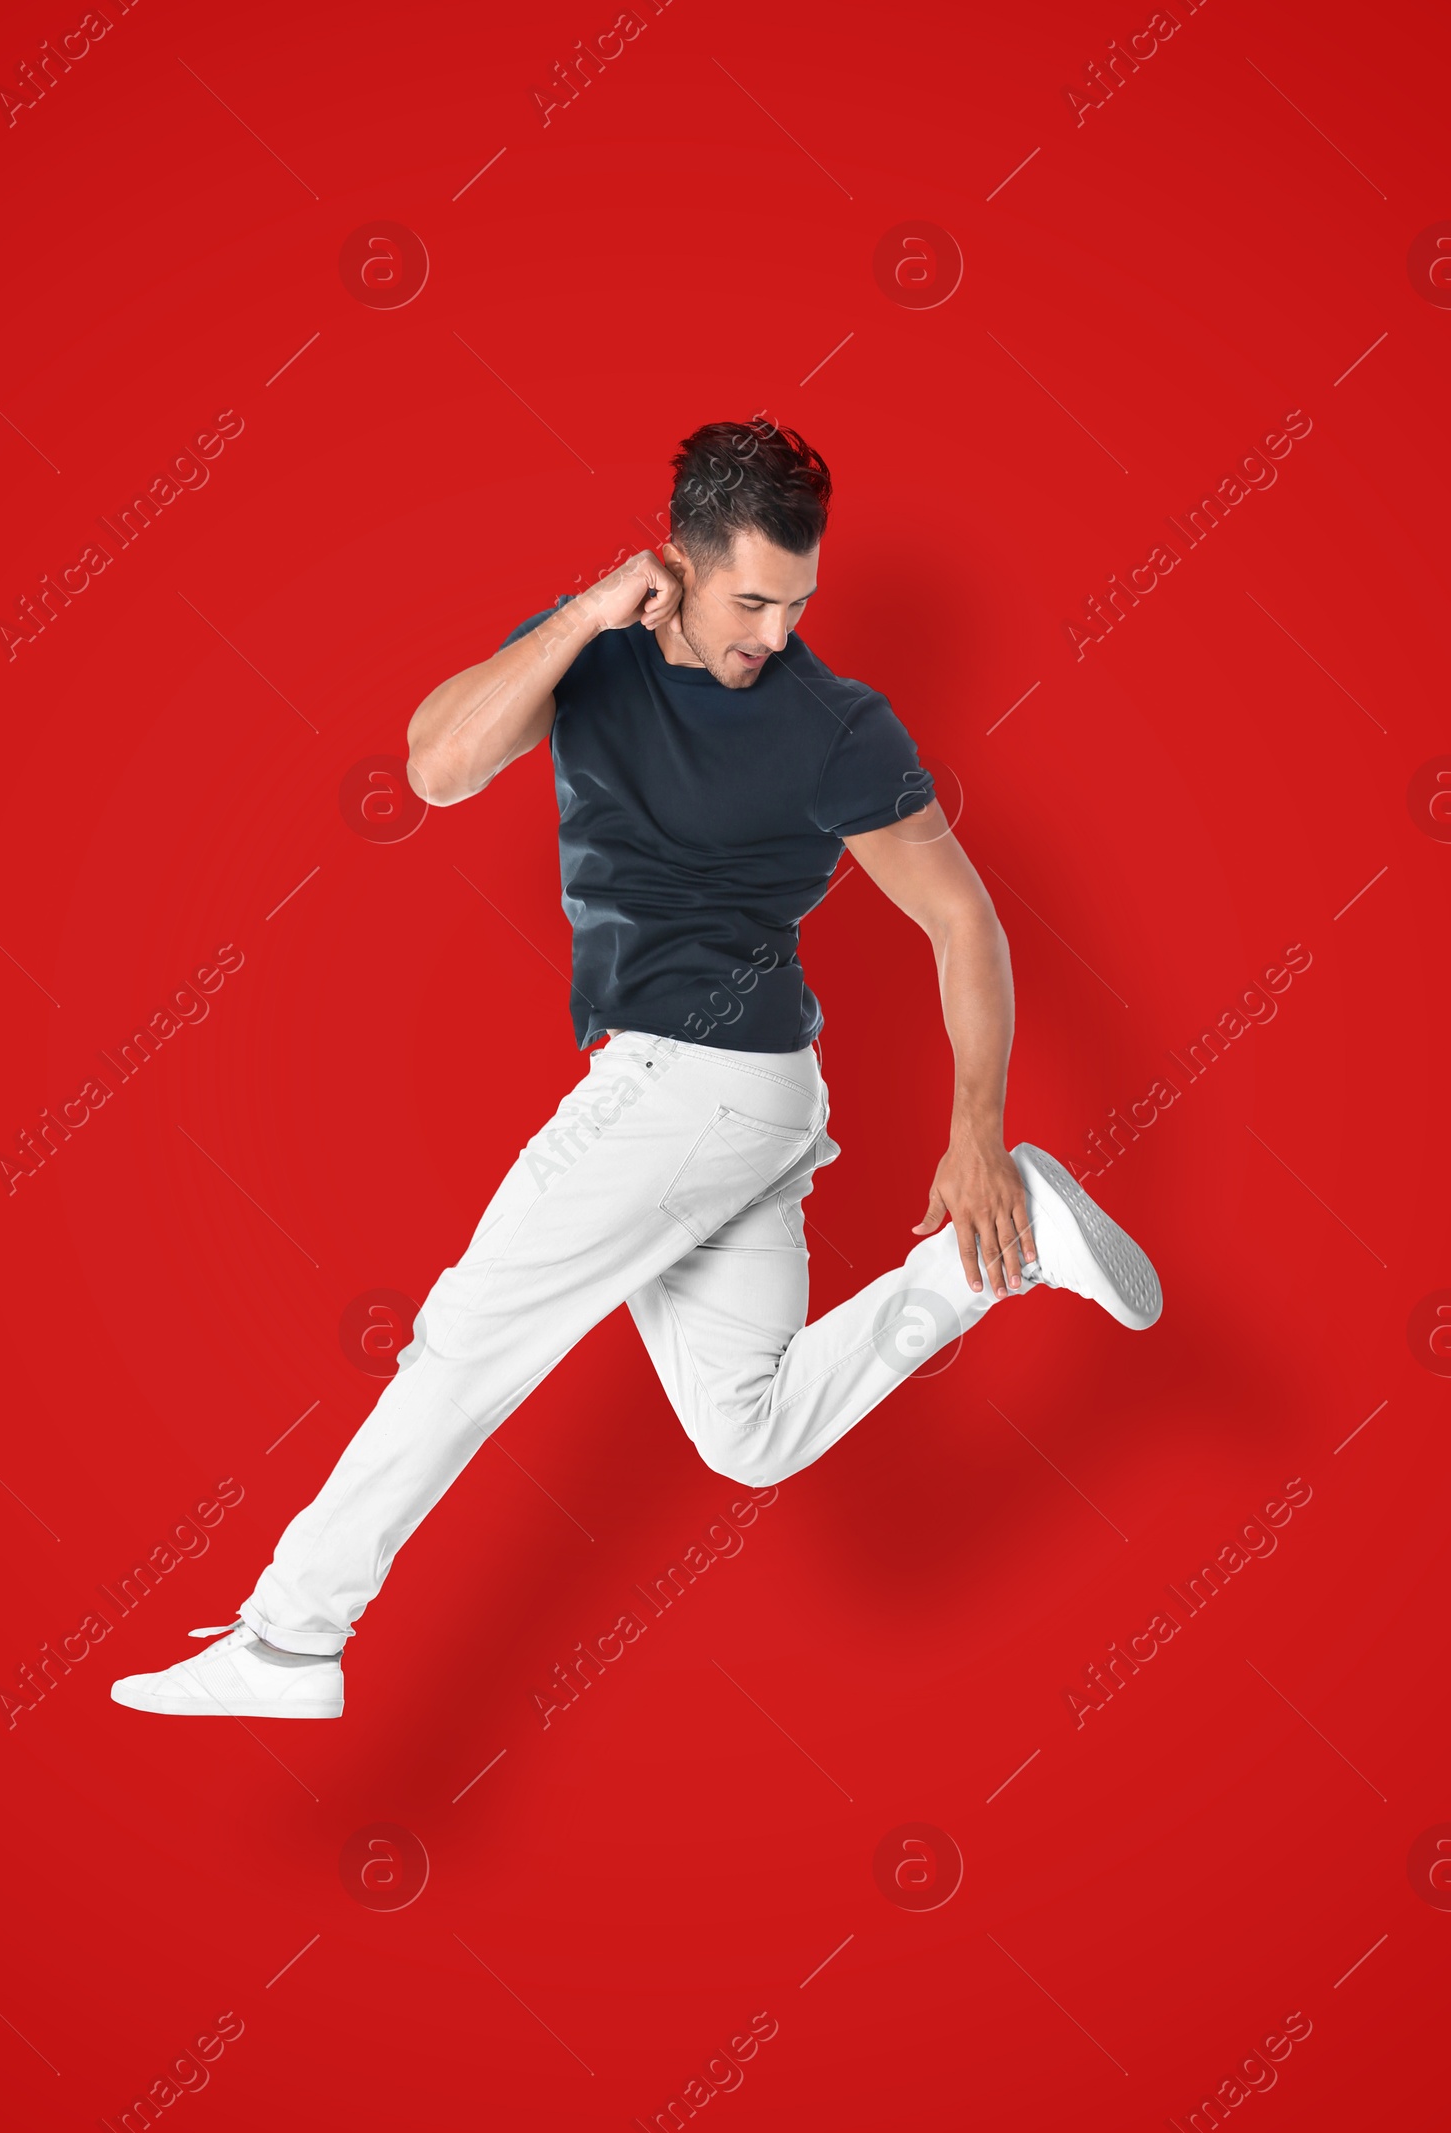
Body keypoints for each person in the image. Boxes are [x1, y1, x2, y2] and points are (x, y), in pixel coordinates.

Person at [112, 418, 1161, 1721]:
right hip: (746, 1100)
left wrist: (976, 1127)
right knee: (753, 1429)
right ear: (679, 559)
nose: (776, 633)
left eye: (799, 602)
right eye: (754, 598)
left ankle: (288, 1638)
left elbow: (965, 921)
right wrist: (585, 616)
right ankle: (978, 1267)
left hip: (693, 1082)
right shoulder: (596, 645)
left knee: (461, 1340)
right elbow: (436, 768)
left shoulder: (836, 726)